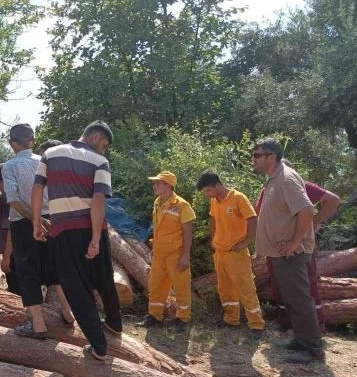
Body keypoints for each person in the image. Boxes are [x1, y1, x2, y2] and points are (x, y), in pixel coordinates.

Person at [32, 121, 117, 360]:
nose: (103, 151)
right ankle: (115, 323)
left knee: (75, 287)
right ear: (95, 137)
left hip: (63, 231)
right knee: (104, 278)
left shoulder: (50, 153)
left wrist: (37, 223)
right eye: (104, 145)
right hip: (92, 226)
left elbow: (37, 189)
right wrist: (95, 237)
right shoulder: (100, 162)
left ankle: (99, 346)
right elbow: (99, 199)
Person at [251, 139, 324, 363]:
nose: (252, 159)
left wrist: (294, 242)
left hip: (290, 253)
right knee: (292, 298)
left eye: (257, 155)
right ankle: (301, 339)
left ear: (271, 157)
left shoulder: (286, 177)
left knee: (300, 298)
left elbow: (305, 210)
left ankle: (312, 347)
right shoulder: (274, 180)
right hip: (280, 253)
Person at [3, 124, 75, 338]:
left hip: (25, 223)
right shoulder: (45, 162)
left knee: (27, 271)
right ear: (33, 141)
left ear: (11, 143)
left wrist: (36, 219)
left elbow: (14, 200)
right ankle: (69, 314)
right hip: (51, 219)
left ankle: (38, 324)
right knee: (54, 268)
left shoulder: (10, 166)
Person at [256, 161, 341, 332]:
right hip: (275, 248)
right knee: (280, 285)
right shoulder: (269, 188)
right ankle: (288, 323)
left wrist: (314, 222)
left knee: (305, 286)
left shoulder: (296, 184)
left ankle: (315, 328)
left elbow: (333, 200)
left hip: (296, 247)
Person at [196, 171, 265, 336]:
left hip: (236, 253)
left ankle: (256, 325)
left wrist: (246, 242)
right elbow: (212, 218)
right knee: (225, 288)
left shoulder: (238, 198)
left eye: (208, 191)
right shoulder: (214, 200)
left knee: (245, 288)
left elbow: (253, 219)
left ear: (218, 185)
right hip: (220, 252)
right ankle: (231, 319)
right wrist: (214, 239)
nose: (207, 194)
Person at [137, 171, 195, 331]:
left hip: (175, 254)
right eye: (154, 183)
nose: (154, 186)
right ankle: (155, 316)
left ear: (168, 186)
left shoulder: (182, 205)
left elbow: (188, 233)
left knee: (181, 287)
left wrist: (185, 256)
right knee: (155, 285)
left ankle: (183, 319)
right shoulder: (157, 202)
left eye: (158, 183)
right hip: (159, 254)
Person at [0, 164, 19, 294]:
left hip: (13, 252)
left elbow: (10, 229)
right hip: (14, 250)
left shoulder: (6, 198)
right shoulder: (12, 194)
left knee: (16, 287)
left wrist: (6, 256)